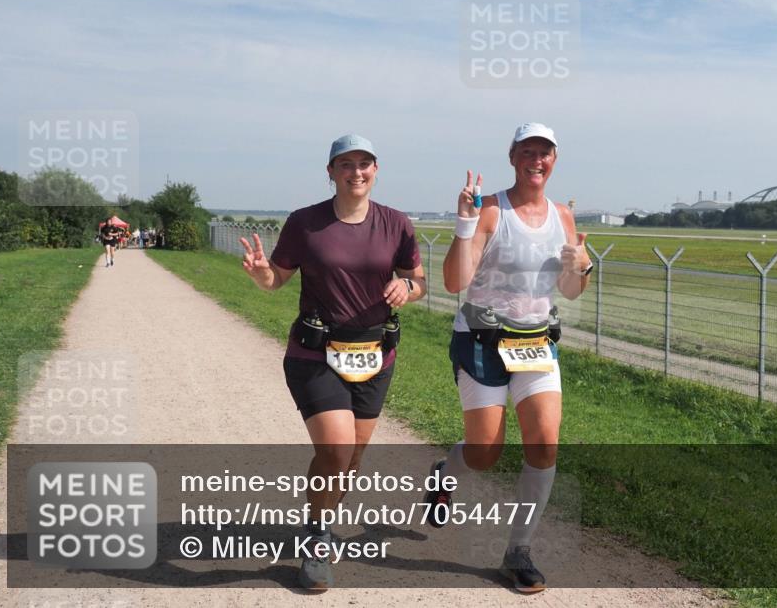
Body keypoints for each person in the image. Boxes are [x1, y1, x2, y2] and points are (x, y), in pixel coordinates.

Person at [239, 133, 426, 591]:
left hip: (375, 355)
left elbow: (417, 280)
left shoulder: (396, 223)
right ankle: (319, 538)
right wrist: (264, 274)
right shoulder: (305, 223)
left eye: (365, 163)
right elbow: (277, 279)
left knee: (351, 459)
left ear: (376, 170)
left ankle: (315, 518)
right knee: (337, 450)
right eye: (346, 163)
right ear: (330, 171)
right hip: (315, 353)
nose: (356, 171)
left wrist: (409, 289)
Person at [427, 123, 592, 593]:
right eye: (527, 151)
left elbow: (571, 291)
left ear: (554, 160)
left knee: (544, 444)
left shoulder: (563, 216)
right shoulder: (490, 213)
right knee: (484, 453)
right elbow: (455, 282)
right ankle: (446, 473)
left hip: (537, 342)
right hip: (481, 341)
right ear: (513, 156)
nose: (536, 160)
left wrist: (580, 267)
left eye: (545, 153)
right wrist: (463, 224)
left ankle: (518, 551)